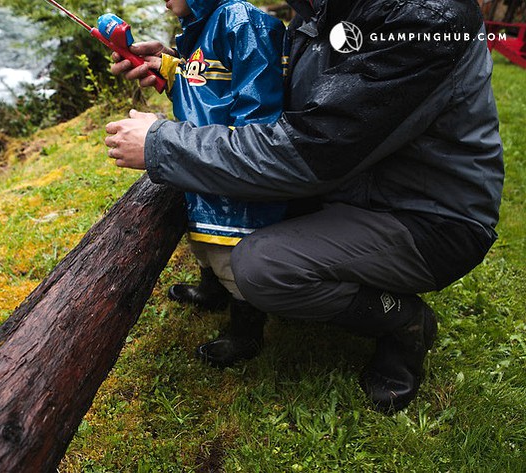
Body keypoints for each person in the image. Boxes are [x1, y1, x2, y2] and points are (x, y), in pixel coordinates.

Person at [105, 0, 504, 414]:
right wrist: (182, 70)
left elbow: (312, 150)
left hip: (429, 216)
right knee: (236, 215)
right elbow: (284, 101)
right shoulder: (316, 12)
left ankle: (403, 321)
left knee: (262, 267)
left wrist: (160, 144)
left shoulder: (424, 16)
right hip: (351, 187)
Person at [149, 0, 288, 369]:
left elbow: (257, 113)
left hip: (230, 170)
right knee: (204, 244)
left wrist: (234, 152)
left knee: (231, 254)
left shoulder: (240, 23)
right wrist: (167, 69)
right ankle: (212, 291)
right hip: (203, 162)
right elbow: (204, 83)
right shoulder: (199, 29)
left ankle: (246, 330)